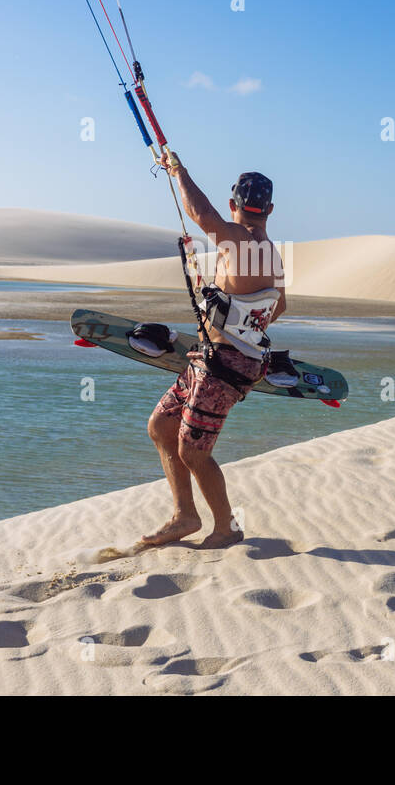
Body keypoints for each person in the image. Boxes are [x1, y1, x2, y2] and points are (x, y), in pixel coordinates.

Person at [142, 152, 286, 548]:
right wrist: (243, 322)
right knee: (162, 427)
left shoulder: (240, 239)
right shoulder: (270, 253)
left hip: (223, 365)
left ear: (233, 205)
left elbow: (201, 216)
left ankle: (226, 528)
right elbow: (280, 305)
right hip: (210, 358)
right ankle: (185, 516)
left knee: (193, 451)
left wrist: (179, 172)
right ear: (269, 208)